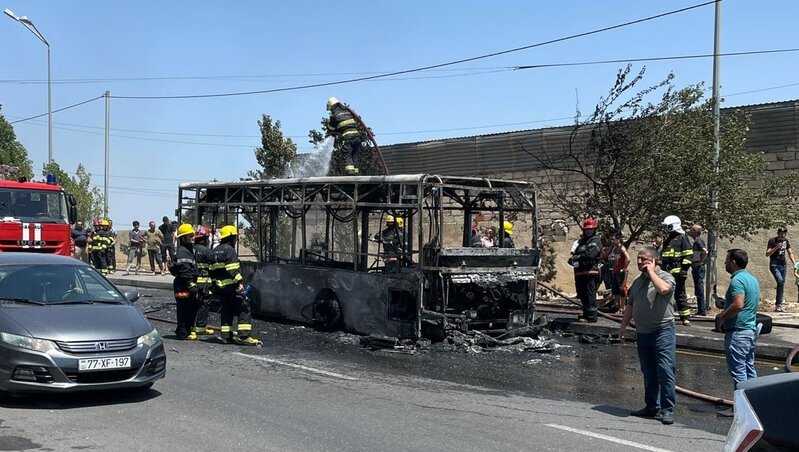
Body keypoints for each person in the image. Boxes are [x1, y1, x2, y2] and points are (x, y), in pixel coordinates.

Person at [618, 246, 677, 425]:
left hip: (662, 331)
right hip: (643, 333)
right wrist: (623, 327)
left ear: (654, 260)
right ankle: (651, 406)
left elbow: (664, 289)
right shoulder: (637, 281)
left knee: (665, 370)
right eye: (638, 258)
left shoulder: (666, 277)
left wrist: (651, 273)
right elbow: (631, 305)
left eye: (643, 259)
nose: (639, 262)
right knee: (648, 371)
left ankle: (667, 410)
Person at [715, 249, 760, 389]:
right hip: (749, 331)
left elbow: (738, 305)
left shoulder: (737, 280)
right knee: (749, 370)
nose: (725, 263)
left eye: (727, 260)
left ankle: (741, 402)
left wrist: (722, 317)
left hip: (738, 333)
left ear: (733, 263)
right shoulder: (752, 279)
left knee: (739, 373)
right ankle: (754, 400)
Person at [210, 225, 260, 345]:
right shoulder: (229, 250)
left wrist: (216, 285)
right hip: (231, 287)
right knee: (244, 306)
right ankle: (243, 336)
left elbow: (211, 271)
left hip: (220, 288)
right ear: (230, 237)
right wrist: (240, 283)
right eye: (234, 237)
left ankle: (226, 336)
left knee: (226, 309)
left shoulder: (215, 251)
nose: (235, 240)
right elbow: (232, 269)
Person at [660, 215, 693, 326]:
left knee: (680, 294)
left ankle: (685, 317)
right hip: (667, 273)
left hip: (678, 273)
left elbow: (688, 255)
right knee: (665, 294)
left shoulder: (682, 238)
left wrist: (684, 270)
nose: (666, 228)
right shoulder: (668, 240)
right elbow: (664, 256)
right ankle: (665, 315)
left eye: (667, 226)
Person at [170, 224, 200, 340]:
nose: (193, 237)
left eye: (193, 235)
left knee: (189, 309)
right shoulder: (183, 251)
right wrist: (190, 283)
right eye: (190, 236)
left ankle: (185, 331)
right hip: (183, 286)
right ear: (183, 238)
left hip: (184, 284)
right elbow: (184, 269)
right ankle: (183, 333)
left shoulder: (188, 250)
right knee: (184, 310)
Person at [570, 218, 602, 323]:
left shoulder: (596, 240)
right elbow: (575, 253)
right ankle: (586, 314)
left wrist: (578, 257)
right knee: (582, 294)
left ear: (594, 230)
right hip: (580, 272)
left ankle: (592, 317)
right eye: (587, 229)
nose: (589, 231)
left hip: (591, 272)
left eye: (591, 229)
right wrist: (574, 259)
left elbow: (590, 254)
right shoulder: (582, 241)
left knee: (590, 294)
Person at [326, 97, 364, 175]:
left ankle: (350, 174)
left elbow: (330, 128)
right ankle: (356, 174)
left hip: (347, 138)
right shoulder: (348, 112)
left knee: (347, 155)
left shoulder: (334, 115)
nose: (331, 111)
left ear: (333, 106)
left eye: (330, 109)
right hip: (357, 137)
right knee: (354, 156)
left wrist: (331, 132)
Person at [192, 226, 215, 336]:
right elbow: (214, 266)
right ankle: (201, 328)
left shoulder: (189, 250)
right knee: (203, 305)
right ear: (205, 239)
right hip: (204, 283)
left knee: (192, 305)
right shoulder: (207, 251)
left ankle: (191, 326)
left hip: (192, 283)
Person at [766, 226, 796, 312]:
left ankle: (778, 305)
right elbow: (767, 254)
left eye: (784, 233)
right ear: (778, 233)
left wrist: (794, 263)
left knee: (781, 283)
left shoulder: (786, 241)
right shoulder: (772, 241)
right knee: (780, 280)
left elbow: (790, 252)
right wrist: (776, 248)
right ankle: (778, 304)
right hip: (774, 264)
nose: (783, 235)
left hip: (783, 264)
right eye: (781, 233)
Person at [605, 230, 630, 313]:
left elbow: (628, 259)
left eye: (613, 239)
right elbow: (605, 256)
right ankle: (616, 305)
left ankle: (622, 308)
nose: (612, 241)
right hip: (615, 271)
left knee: (621, 289)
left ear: (618, 239)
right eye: (611, 239)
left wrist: (624, 268)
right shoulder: (613, 248)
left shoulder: (622, 248)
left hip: (621, 272)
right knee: (615, 289)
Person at [687, 224, 708, 316]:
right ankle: (700, 309)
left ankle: (702, 310)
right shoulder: (697, 241)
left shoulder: (698, 241)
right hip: (696, 267)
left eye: (691, 230)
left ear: (695, 232)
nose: (690, 231)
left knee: (699, 288)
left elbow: (705, 251)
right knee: (698, 288)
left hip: (699, 268)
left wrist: (700, 262)